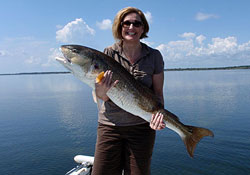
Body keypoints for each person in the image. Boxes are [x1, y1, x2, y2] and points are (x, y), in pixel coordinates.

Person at [92, 7, 165, 175]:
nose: (131, 27)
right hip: (109, 126)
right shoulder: (109, 53)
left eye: (137, 23)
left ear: (143, 28)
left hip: (141, 128)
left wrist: (158, 119)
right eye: (127, 23)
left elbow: (158, 94)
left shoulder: (154, 56)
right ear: (120, 26)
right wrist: (101, 90)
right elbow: (103, 96)